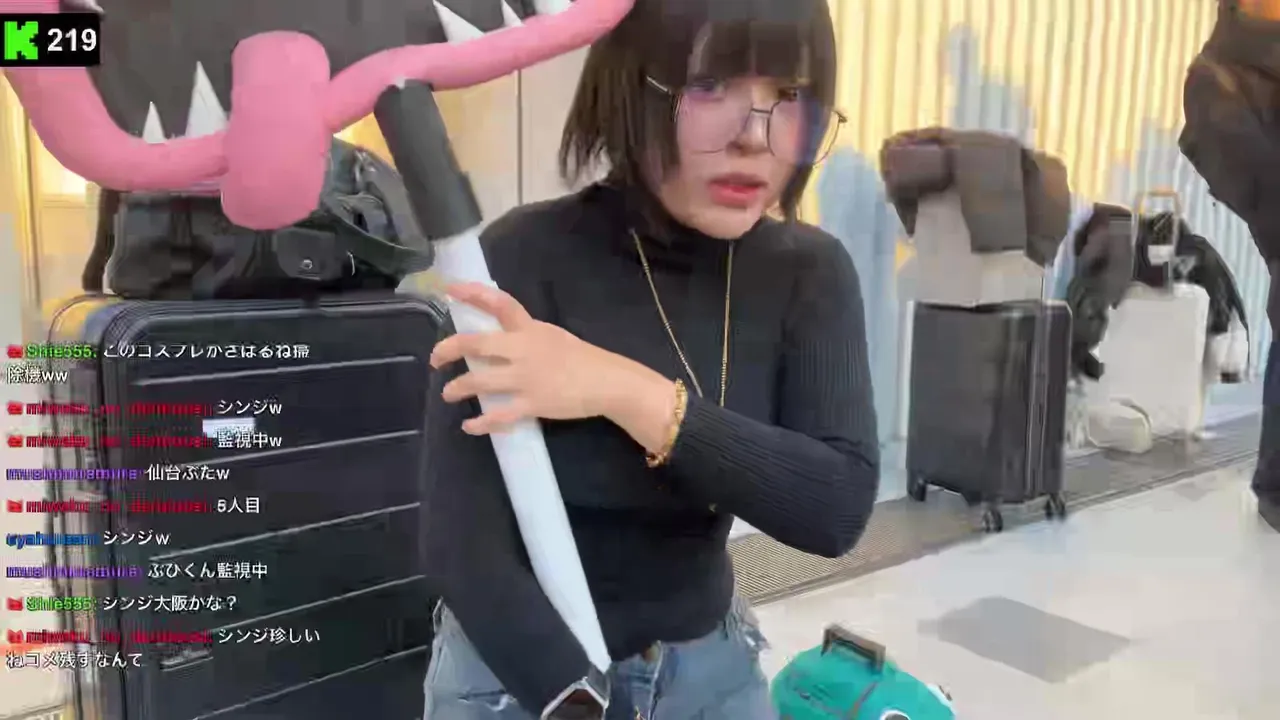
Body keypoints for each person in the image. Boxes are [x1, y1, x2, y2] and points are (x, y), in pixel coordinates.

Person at [418, 0, 879, 717]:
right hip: (519, 673)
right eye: (710, 86)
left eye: (789, 94)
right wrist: (570, 697)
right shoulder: (520, 258)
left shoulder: (809, 272)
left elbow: (835, 508)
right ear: (633, 90)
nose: (754, 138)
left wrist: (618, 388)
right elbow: (460, 543)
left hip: (712, 669)